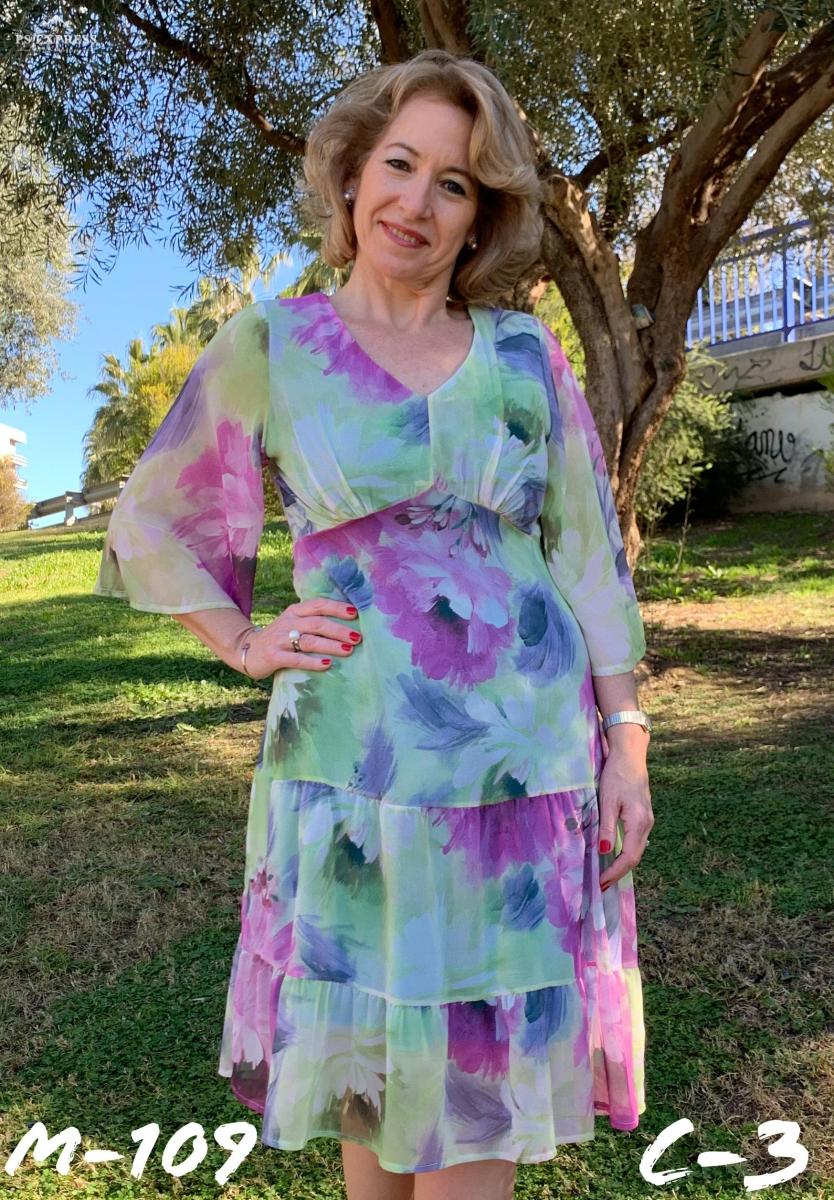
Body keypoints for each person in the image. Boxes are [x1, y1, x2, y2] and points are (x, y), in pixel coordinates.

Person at [92, 47, 654, 1200]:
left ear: (480, 216)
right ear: (352, 177)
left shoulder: (525, 355)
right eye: (400, 165)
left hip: (520, 780)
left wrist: (629, 744)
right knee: (374, 1091)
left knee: (472, 1106)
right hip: (349, 776)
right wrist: (243, 641)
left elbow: (589, 557)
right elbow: (156, 517)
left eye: (455, 183)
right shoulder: (273, 345)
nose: (418, 202)